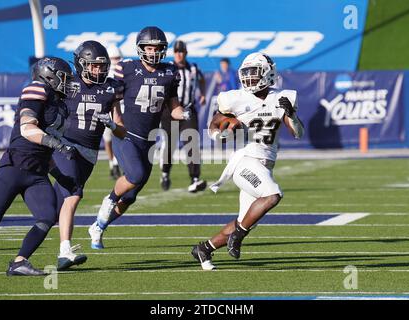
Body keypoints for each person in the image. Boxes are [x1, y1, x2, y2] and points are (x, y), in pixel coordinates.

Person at [191, 52, 304, 270]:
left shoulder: (283, 97)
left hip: (265, 166)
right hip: (245, 161)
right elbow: (214, 124)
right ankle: (238, 237)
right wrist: (220, 136)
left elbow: (298, 133)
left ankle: (204, 249)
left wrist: (291, 115)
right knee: (272, 196)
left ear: (269, 73)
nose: (250, 78)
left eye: (255, 73)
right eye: (247, 73)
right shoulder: (234, 98)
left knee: (244, 221)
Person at [88, 26, 190, 249]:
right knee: (135, 174)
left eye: (157, 48)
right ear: (141, 48)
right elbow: (112, 98)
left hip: (149, 139)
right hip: (126, 134)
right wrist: (117, 121)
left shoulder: (170, 72)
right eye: (149, 47)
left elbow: (173, 108)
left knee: (131, 196)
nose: (153, 52)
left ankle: (98, 227)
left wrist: (183, 113)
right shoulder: (126, 69)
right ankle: (109, 200)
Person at [0, 57, 77, 276]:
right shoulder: (36, 89)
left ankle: (19, 262)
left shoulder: (60, 106)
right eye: (64, 78)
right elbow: (27, 129)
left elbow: (46, 151)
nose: (67, 82)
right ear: (48, 76)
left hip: (38, 172)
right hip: (16, 166)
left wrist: (60, 176)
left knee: (47, 215)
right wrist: (59, 145)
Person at [52, 40, 125, 270]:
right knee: (74, 195)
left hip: (90, 154)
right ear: (81, 64)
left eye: (101, 66)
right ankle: (65, 251)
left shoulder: (110, 89)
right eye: (93, 66)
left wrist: (112, 125)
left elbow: (122, 129)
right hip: (66, 146)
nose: (98, 70)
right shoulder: (67, 84)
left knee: (51, 208)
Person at [158, 40, 207, 192]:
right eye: (176, 51)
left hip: (188, 110)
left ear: (186, 53)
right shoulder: (168, 68)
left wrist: (203, 94)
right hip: (169, 111)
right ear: (173, 53)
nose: (179, 54)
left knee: (191, 143)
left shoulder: (193, 68)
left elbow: (202, 79)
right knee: (169, 145)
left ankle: (195, 178)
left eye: (182, 51)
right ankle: (165, 173)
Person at [103, 45, 124, 180]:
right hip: (106, 110)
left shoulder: (124, 73)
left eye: (117, 58)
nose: (115, 61)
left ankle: (116, 163)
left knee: (119, 137)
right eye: (113, 58)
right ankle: (112, 163)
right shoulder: (103, 74)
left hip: (121, 110)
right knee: (108, 139)